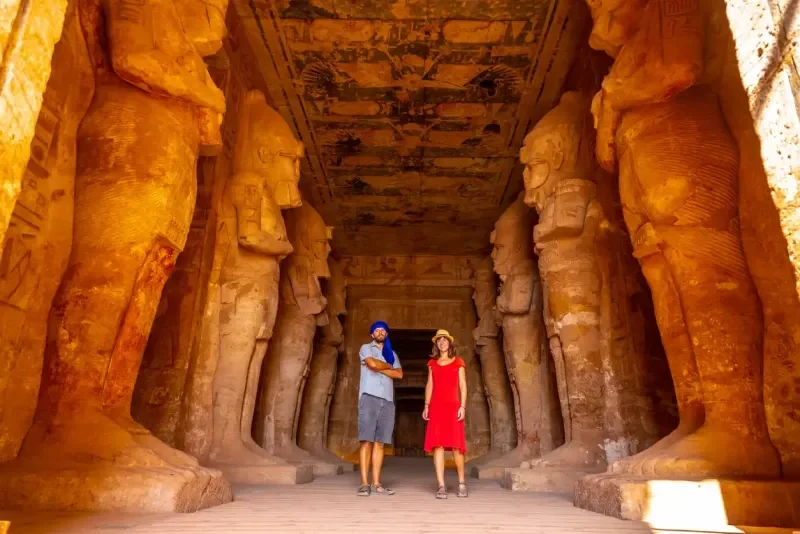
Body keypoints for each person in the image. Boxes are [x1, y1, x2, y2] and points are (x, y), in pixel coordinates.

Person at [357, 321, 403, 496]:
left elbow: (399, 374)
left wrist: (380, 367)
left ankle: (376, 483)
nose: (380, 333)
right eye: (377, 330)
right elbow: (372, 364)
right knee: (366, 440)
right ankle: (364, 483)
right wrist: (388, 366)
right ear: (372, 334)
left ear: (387, 334)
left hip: (387, 400)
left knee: (380, 443)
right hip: (369, 396)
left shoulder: (392, 354)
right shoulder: (366, 348)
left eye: (383, 330)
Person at [423, 330, 468, 499]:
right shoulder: (432, 364)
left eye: (445, 340)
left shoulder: (458, 362)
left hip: (453, 407)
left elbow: (463, 385)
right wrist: (426, 405)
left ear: (450, 343)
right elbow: (430, 385)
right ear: (436, 344)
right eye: (439, 340)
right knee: (438, 445)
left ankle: (462, 482)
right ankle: (441, 485)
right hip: (436, 407)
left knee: (457, 445)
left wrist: (462, 406)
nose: (442, 342)